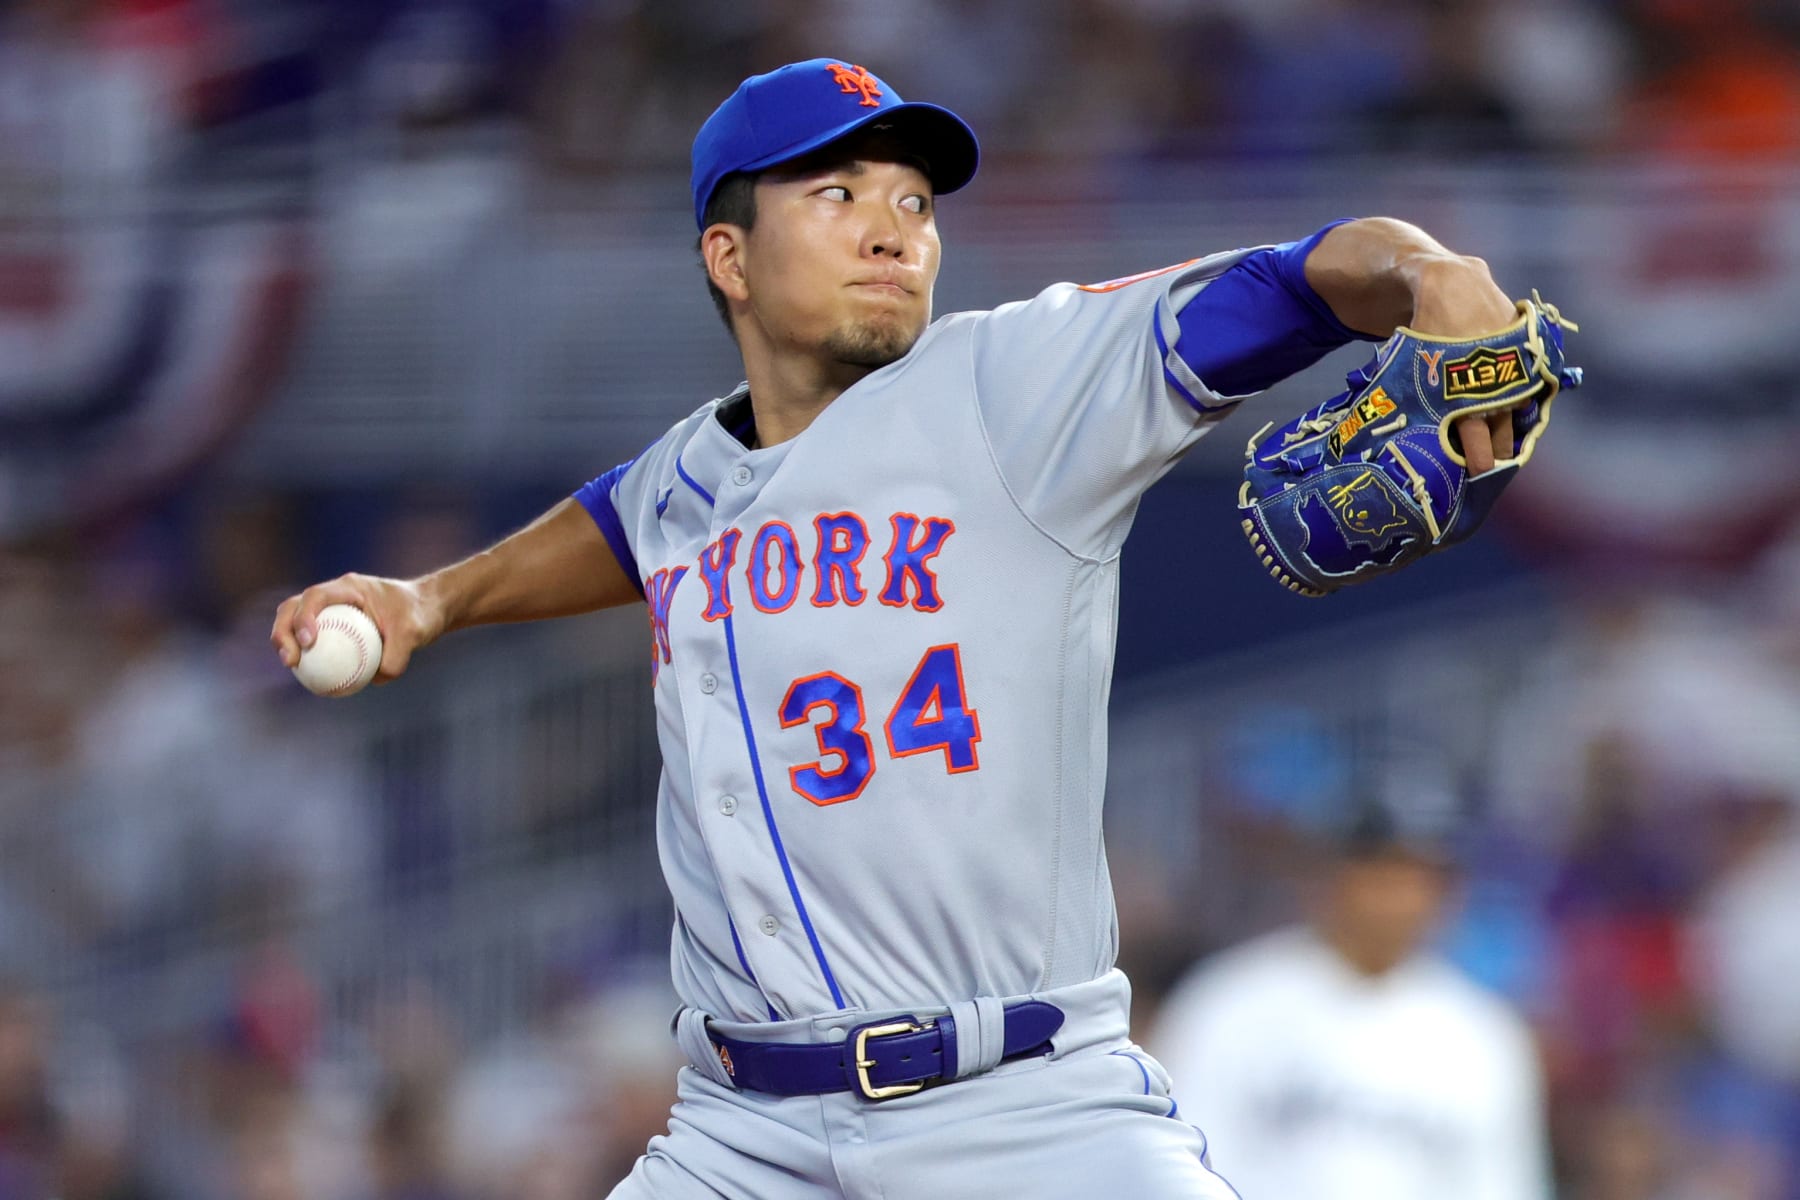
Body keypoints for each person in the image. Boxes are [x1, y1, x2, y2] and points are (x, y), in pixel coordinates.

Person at [272, 58, 1554, 1199]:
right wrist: (428, 601)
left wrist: (1431, 272)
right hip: (738, 1136)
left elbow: (1292, 282)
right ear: (730, 256)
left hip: (1023, 1110)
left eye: (914, 202)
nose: (892, 229)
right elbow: (625, 522)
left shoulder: (1014, 386)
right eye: (836, 196)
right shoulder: (685, 478)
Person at [1150, 800, 1552, 1200]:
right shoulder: (1230, 1001)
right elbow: (1172, 1169)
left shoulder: (1484, 1034)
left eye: (1416, 875)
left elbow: (1500, 1185)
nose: (1396, 897)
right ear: (1332, 874)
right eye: (1377, 869)